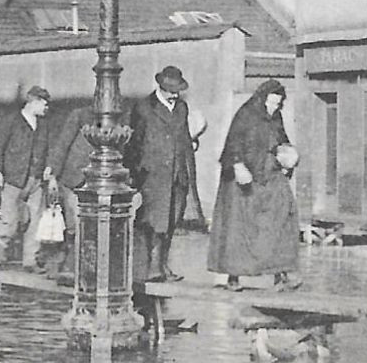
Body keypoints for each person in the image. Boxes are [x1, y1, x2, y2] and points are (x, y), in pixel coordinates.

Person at [207, 79, 301, 291]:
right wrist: (239, 165)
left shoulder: (275, 116)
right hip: (245, 176)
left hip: (271, 173)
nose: (274, 108)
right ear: (262, 99)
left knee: (282, 216)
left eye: (278, 104)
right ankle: (233, 277)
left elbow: (282, 140)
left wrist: (288, 159)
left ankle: (282, 273)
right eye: (271, 103)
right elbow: (233, 145)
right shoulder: (246, 114)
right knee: (239, 227)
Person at [127, 65, 196, 281]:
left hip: (177, 175)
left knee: (171, 221)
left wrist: (189, 173)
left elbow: (185, 139)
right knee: (152, 222)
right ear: (161, 87)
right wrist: (134, 176)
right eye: (171, 90)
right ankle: (150, 268)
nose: (175, 94)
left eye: (177, 90)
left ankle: (163, 265)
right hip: (152, 176)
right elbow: (134, 144)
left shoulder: (182, 108)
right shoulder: (143, 107)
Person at [0, 86, 52, 266]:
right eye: (44, 104)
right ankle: (1, 252)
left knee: (35, 221)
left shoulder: (43, 126)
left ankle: (30, 261)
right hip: (13, 179)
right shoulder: (11, 121)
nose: (46, 108)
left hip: (35, 181)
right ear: (33, 102)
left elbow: (47, 149)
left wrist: (48, 167)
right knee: (9, 220)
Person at [45, 102, 97, 279]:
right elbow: (62, 144)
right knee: (73, 225)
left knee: (90, 227)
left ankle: (80, 267)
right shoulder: (80, 114)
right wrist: (53, 173)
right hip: (75, 178)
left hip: (97, 181)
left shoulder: (114, 119)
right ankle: (66, 265)